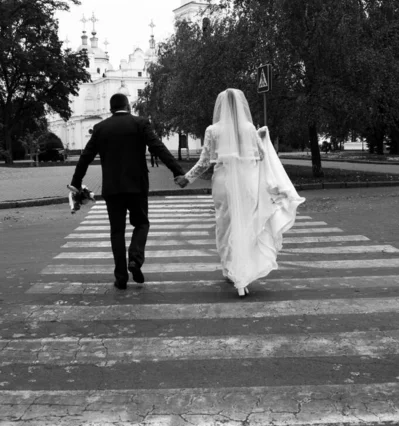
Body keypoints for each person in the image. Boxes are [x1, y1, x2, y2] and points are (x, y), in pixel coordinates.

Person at [175, 88, 305, 297]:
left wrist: (187, 178)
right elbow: (261, 156)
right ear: (242, 105)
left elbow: (205, 161)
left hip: (223, 182)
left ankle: (229, 268)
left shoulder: (213, 130)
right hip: (246, 182)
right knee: (245, 223)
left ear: (221, 107)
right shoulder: (249, 129)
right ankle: (245, 266)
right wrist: (259, 138)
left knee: (224, 225)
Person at [70, 93, 185, 290]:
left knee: (117, 231)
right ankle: (135, 258)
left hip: (112, 188)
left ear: (111, 108)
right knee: (141, 223)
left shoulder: (100, 128)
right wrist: (177, 171)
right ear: (128, 106)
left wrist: (76, 183)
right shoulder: (140, 123)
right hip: (137, 186)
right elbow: (158, 147)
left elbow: (86, 157)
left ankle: (121, 277)